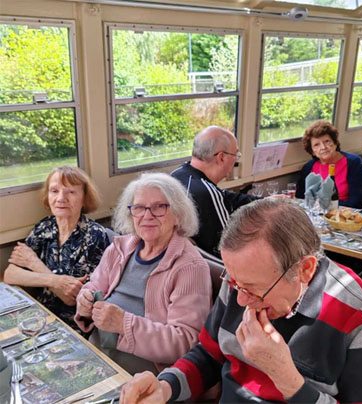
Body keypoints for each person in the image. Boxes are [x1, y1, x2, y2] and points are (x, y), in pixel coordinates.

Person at [120, 199, 362, 403]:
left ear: (305, 269)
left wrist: (287, 378)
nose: (241, 298)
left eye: (254, 289)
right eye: (234, 283)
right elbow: (208, 355)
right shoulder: (240, 281)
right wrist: (165, 387)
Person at [75, 173, 212, 375]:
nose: (147, 215)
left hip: (143, 374)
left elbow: (185, 341)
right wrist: (85, 300)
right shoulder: (119, 249)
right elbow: (94, 286)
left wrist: (124, 324)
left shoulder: (189, 267)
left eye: (159, 207)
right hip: (95, 354)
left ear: (178, 215)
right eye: (139, 207)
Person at [4, 166, 110, 329]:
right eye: (54, 191)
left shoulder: (94, 236)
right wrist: (56, 280)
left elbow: (71, 298)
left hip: (72, 326)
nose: (61, 198)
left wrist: (34, 263)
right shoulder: (45, 227)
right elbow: (10, 274)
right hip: (38, 316)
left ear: (84, 198)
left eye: (71, 192)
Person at [171, 125, 259, 257]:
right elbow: (227, 246)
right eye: (236, 154)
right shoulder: (206, 193)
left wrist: (268, 202)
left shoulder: (178, 174)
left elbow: (226, 197)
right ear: (221, 157)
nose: (236, 159)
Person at [296, 120, 362, 208]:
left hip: (343, 214)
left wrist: (327, 207)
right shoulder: (308, 168)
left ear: (335, 143)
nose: (323, 147)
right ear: (312, 151)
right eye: (316, 145)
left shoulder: (353, 162)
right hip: (316, 214)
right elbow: (300, 198)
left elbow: (357, 201)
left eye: (327, 141)